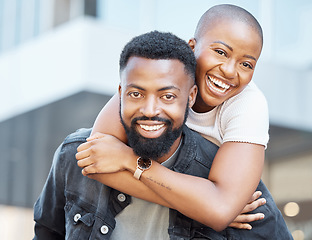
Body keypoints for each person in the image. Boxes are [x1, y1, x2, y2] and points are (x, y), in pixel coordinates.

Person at [34, 31, 291, 239]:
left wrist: (214, 207)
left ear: (189, 97)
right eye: (136, 94)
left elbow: (220, 209)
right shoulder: (74, 152)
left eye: (167, 96)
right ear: (121, 92)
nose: (150, 109)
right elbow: (95, 161)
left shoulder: (247, 110)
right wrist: (199, 204)